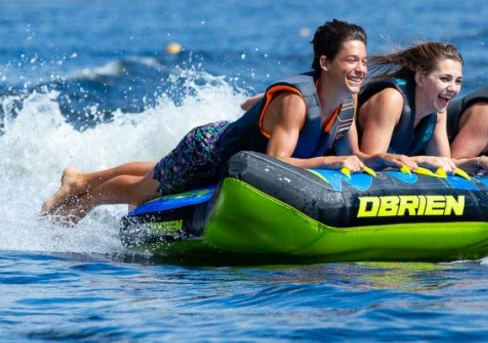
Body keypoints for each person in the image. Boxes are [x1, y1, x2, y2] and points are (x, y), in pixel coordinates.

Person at [41, 20, 410, 224]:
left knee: (158, 171)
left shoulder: (348, 100)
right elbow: (276, 164)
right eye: (350, 60)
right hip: (210, 151)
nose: (361, 68)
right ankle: (88, 193)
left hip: (229, 149)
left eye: (362, 61)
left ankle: (83, 178)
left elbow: (353, 154)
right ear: (326, 63)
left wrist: (386, 160)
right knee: (145, 190)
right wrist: (329, 161)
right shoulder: (296, 103)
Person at [357, 42, 488, 175]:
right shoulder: (391, 99)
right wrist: (422, 161)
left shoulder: (438, 110)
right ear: (420, 78)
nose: (453, 88)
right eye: (445, 79)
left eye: (458, 81)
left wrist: (479, 162)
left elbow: (446, 163)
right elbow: (371, 164)